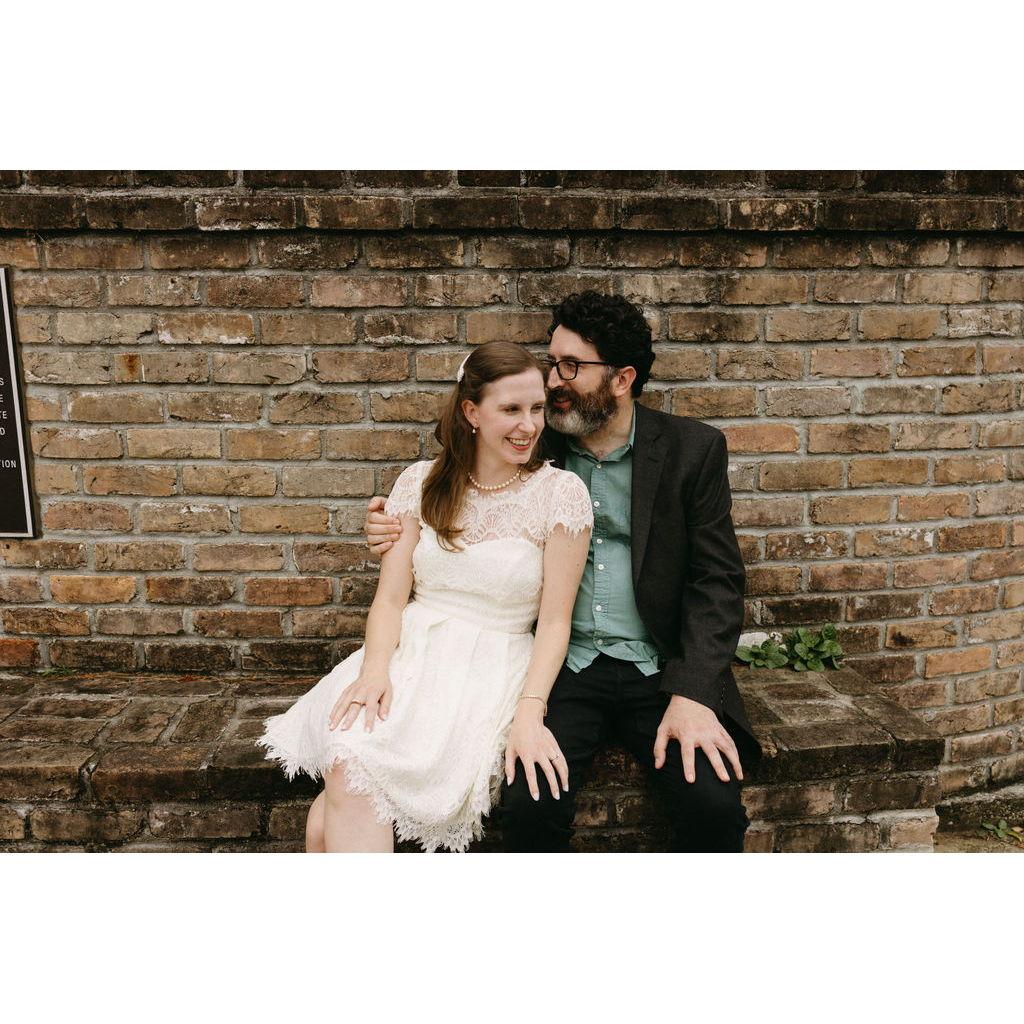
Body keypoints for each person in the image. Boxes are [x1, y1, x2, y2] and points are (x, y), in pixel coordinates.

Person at [365, 290, 763, 853]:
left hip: (660, 667)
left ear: (622, 379)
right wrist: (386, 522)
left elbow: (717, 581)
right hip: (561, 668)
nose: (552, 381)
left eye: (571, 366)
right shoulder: (532, 435)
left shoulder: (690, 450)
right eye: (553, 362)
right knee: (528, 803)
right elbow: (455, 474)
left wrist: (695, 693)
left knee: (713, 807)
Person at [256, 341, 593, 852]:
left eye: (537, 408)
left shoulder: (560, 493)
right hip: (409, 651)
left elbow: (554, 622)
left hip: (488, 664)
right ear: (471, 412)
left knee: (332, 806)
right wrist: (374, 673)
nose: (528, 425)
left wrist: (531, 708)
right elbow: (391, 599)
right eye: (511, 409)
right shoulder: (420, 482)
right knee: (346, 761)